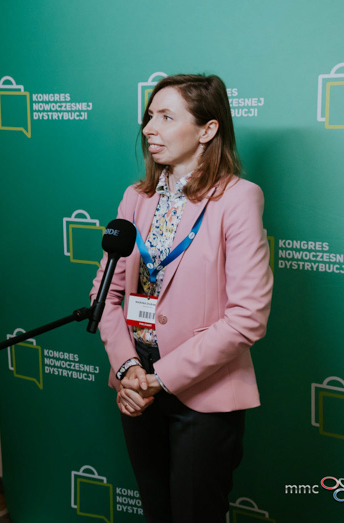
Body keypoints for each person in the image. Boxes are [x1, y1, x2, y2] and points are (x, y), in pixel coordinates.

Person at [90, 74, 273, 523]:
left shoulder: (238, 199)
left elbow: (247, 318)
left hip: (203, 394)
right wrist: (129, 369)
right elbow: (105, 294)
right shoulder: (136, 198)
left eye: (167, 117)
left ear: (207, 129)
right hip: (137, 386)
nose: (149, 128)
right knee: (157, 511)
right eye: (150, 116)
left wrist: (161, 378)